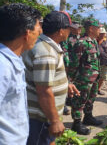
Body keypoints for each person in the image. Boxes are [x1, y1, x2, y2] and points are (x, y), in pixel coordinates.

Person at [22, 11, 80, 145]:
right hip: (41, 117)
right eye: (68, 29)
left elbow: (44, 78)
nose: (69, 32)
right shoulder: (46, 52)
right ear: (60, 31)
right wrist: (54, 121)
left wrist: (66, 85)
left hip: (42, 115)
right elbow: (44, 90)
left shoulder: (46, 45)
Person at [0, 3, 42, 145]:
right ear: (27, 33)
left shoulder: (14, 58)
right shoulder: (2, 66)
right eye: (38, 28)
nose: (40, 32)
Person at [70, 18, 103, 135]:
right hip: (83, 79)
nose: (100, 30)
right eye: (98, 27)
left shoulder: (93, 41)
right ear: (90, 28)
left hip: (93, 78)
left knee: (91, 98)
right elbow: (74, 63)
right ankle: (76, 123)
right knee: (80, 100)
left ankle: (88, 117)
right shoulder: (81, 43)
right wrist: (71, 80)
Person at [60, 22, 82, 115]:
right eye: (77, 28)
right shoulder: (67, 38)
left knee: (72, 83)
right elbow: (64, 51)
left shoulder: (80, 38)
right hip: (68, 65)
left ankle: (70, 99)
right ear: (72, 29)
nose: (79, 30)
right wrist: (67, 64)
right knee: (65, 83)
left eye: (80, 28)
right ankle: (63, 104)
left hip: (77, 65)